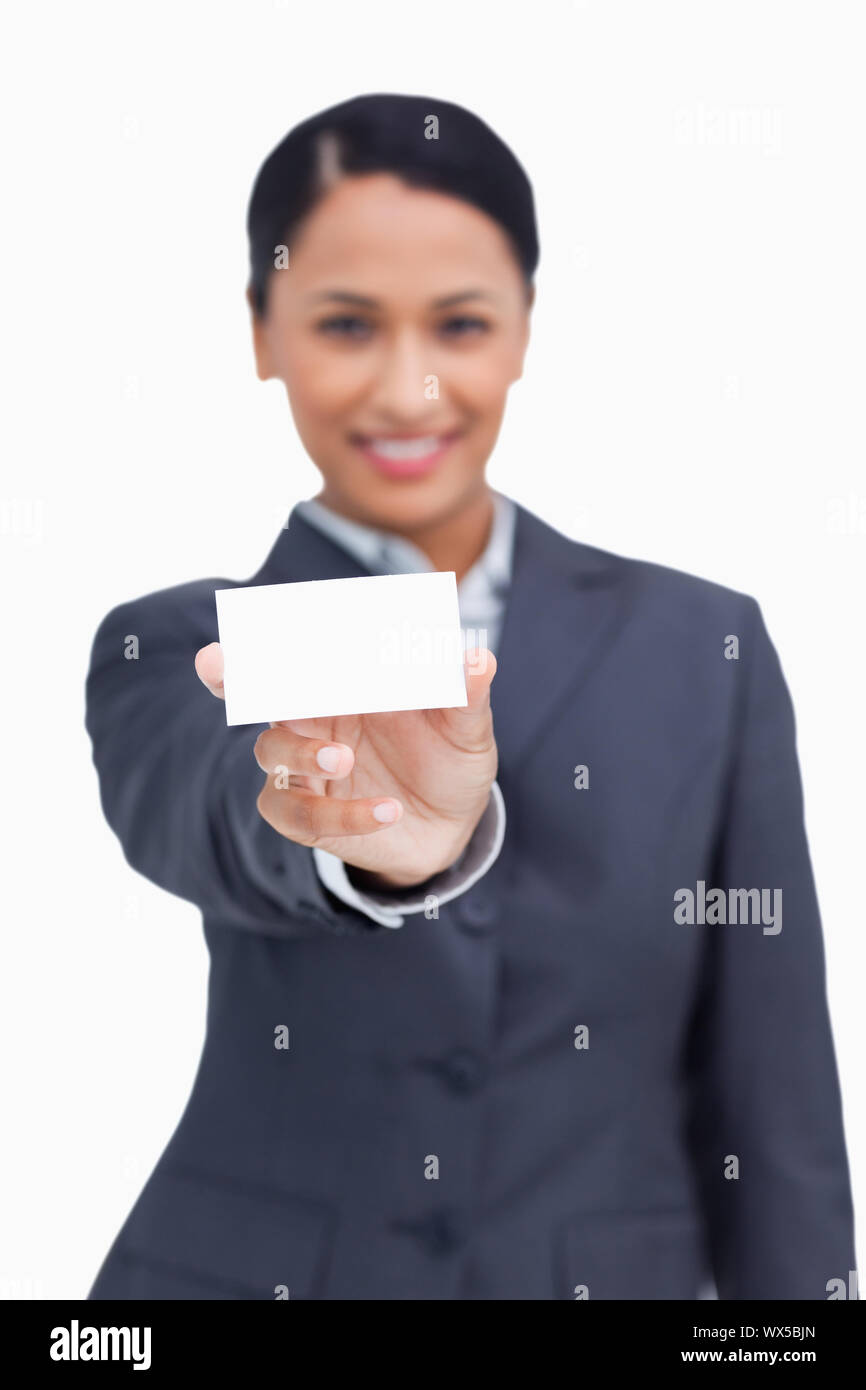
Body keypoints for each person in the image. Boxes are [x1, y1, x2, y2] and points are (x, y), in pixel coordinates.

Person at [86, 93, 856, 1300]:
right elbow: (210, 806)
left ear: (522, 330)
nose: (408, 390)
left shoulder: (702, 642)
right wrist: (366, 843)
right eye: (346, 323)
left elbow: (770, 1066)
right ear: (261, 330)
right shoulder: (188, 643)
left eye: (458, 323)